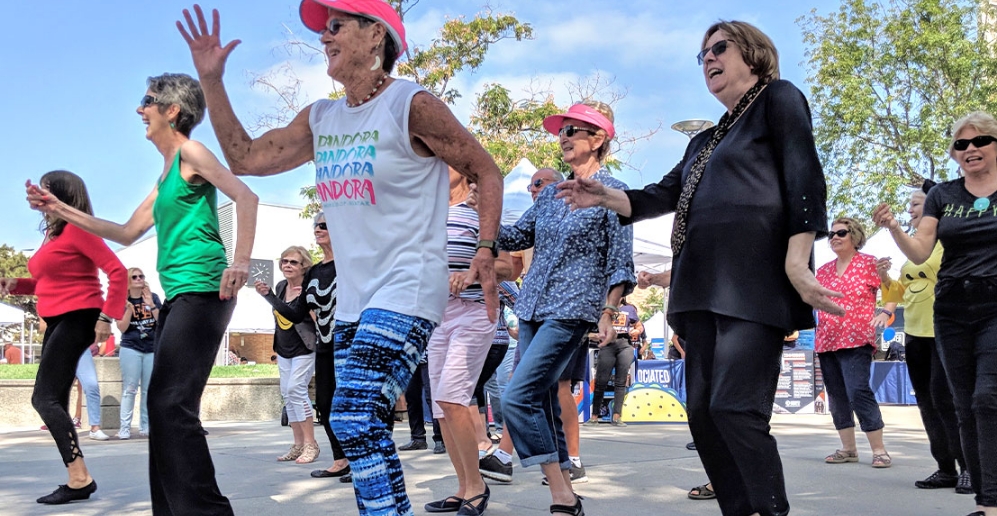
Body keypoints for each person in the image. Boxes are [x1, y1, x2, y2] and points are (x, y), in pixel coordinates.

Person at [177, 2, 503, 513]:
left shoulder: (410, 104)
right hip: (353, 300)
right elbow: (246, 157)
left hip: (409, 287)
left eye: (336, 27)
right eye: (322, 30)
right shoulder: (322, 117)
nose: (324, 38)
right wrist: (211, 80)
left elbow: (485, 168)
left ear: (376, 36)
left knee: (352, 416)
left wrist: (485, 247)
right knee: (352, 423)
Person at [556, 21, 843, 516]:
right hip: (698, 287)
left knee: (736, 409)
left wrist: (799, 258)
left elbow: (804, 173)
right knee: (704, 417)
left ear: (753, 53)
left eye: (719, 48)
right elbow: (660, 196)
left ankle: (770, 510)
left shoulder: (778, 98)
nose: (708, 59)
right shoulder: (702, 141)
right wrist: (602, 194)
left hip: (753, 283)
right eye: (702, 55)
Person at [25, 72, 259, 515]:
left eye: (147, 100)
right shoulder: (167, 173)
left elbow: (245, 196)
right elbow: (127, 232)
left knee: (172, 404)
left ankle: (208, 511)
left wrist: (241, 262)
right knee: (161, 404)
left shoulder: (191, 151)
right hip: (178, 296)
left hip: (204, 289)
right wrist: (60, 208)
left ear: (173, 110)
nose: (139, 109)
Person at [498, 98, 635, 516]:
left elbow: (619, 257)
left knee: (517, 397)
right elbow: (514, 237)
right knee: (538, 400)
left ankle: (561, 492)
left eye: (573, 130)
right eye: (561, 131)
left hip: (573, 309)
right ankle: (565, 492)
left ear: (598, 139)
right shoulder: (551, 195)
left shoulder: (613, 192)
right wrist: (477, 205)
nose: (563, 138)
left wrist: (609, 312)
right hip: (533, 306)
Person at [873, 111, 997, 516]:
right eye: (961, 145)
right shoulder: (943, 194)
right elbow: (921, 251)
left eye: (980, 141)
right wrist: (894, 227)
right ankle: (983, 498)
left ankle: (991, 502)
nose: (970, 150)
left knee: (986, 400)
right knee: (962, 406)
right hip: (952, 309)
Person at [1, 170, 128, 505]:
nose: (38, 200)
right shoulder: (54, 236)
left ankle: (80, 478)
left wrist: (106, 317)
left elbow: (117, 272)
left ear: (60, 194)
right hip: (59, 319)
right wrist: (17, 285)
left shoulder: (78, 228)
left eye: (44, 191)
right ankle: (78, 477)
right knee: (49, 398)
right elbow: (49, 283)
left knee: (44, 398)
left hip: (80, 316)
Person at [424, 171, 515, 515]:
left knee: (452, 396)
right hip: (437, 314)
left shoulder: (480, 210)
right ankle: (463, 486)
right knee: (441, 409)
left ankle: (478, 486)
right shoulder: (426, 211)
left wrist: (475, 271)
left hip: (475, 311)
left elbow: (508, 266)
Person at [878, 184, 968, 492]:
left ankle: (970, 467)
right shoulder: (911, 253)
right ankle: (945, 469)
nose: (910, 210)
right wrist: (884, 278)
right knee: (928, 403)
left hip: (944, 330)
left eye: (917, 203)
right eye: (910, 205)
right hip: (915, 334)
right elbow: (898, 294)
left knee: (948, 401)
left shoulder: (948, 243)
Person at [257, 215, 351, 480]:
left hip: (351, 344)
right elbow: (296, 314)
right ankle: (341, 459)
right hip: (325, 346)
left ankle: (362, 462)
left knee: (353, 404)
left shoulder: (350, 264)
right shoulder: (314, 272)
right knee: (325, 402)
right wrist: (269, 297)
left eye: (325, 224)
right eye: (316, 225)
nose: (318, 229)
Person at [814, 218, 891, 468]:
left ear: (855, 236)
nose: (834, 237)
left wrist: (886, 312)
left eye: (841, 233)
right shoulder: (823, 270)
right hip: (827, 340)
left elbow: (892, 291)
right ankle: (848, 449)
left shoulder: (869, 263)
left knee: (857, 390)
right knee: (836, 395)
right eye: (831, 233)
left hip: (857, 339)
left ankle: (878, 450)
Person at [257, 246, 321, 464]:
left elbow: (296, 316)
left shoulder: (308, 289)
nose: (287, 265)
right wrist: (272, 295)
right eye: (284, 261)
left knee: (296, 389)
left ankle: (311, 443)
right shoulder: (281, 286)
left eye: (293, 262)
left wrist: (269, 296)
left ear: (304, 266)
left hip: (305, 346)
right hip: (284, 347)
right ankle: (298, 444)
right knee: (287, 392)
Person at [116, 267, 161, 440]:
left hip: (151, 348)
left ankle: (146, 425)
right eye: (134, 277)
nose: (138, 279)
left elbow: (162, 320)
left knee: (148, 390)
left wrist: (152, 305)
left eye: (141, 276)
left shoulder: (153, 297)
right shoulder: (121, 300)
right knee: (130, 389)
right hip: (130, 347)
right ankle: (125, 427)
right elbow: (122, 327)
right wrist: (128, 309)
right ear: (128, 281)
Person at [587, 297, 641, 426]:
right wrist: (594, 335)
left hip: (625, 345)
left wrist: (637, 330)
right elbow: (590, 330)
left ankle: (617, 417)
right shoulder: (602, 309)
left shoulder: (629, 309)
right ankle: (594, 416)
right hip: (607, 345)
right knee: (601, 381)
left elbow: (639, 325)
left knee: (621, 382)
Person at [75, 346, 109, 441]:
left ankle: (95, 429)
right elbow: (42, 330)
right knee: (58, 390)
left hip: (82, 347)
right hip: (59, 346)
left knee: (92, 386)